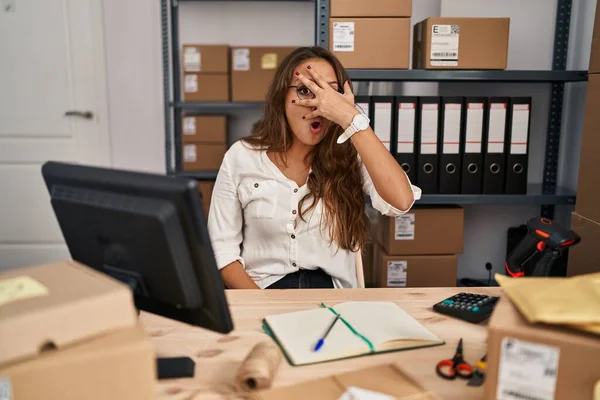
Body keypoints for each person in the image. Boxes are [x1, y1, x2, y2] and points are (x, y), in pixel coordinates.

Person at [207, 46, 421, 290]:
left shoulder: (351, 153)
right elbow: (221, 250)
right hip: (262, 293)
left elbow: (401, 202)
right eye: (304, 91)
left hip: (333, 299)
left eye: (330, 94)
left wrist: (352, 120)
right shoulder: (241, 157)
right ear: (282, 98)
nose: (317, 105)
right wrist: (263, 305)